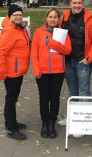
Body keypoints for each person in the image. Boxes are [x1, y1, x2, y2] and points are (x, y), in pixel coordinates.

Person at [58, 0, 92, 134]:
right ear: (70, 4)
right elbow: (59, 36)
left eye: (79, 3)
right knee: (73, 91)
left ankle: (84, 123)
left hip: (83, 61)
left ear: (83, 4)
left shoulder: (91, 19)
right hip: (68, 61)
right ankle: (73, 118)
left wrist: (90, 58)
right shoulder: (64, 17)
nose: (77, 5)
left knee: (85, 91)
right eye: (74, 3)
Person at [31, 8, 72, 139]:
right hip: (42, 72)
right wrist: (36, 70)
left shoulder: (63, 33)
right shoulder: (39, 32)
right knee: (44, 98)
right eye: (50, 17)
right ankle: (44, 123)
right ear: (46, 18)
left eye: (55, 17)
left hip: (57, 71)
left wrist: (53, 43)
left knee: (54, 98)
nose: (53, 19)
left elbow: (68, 50)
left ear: (58, 19)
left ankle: (52, 123)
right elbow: (34, 53)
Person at [0, 4, 30, 140]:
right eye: (15, 15)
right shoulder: (9, 31)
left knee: (13, 98)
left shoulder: (20, 29)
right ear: (10, 17)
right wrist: (2, 72)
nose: (18, 16)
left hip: (18, 70)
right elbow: (0, 53)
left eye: (20, 14)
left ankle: (12, 122)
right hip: (11, 72)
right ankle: (11, 128)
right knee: (11, 99)